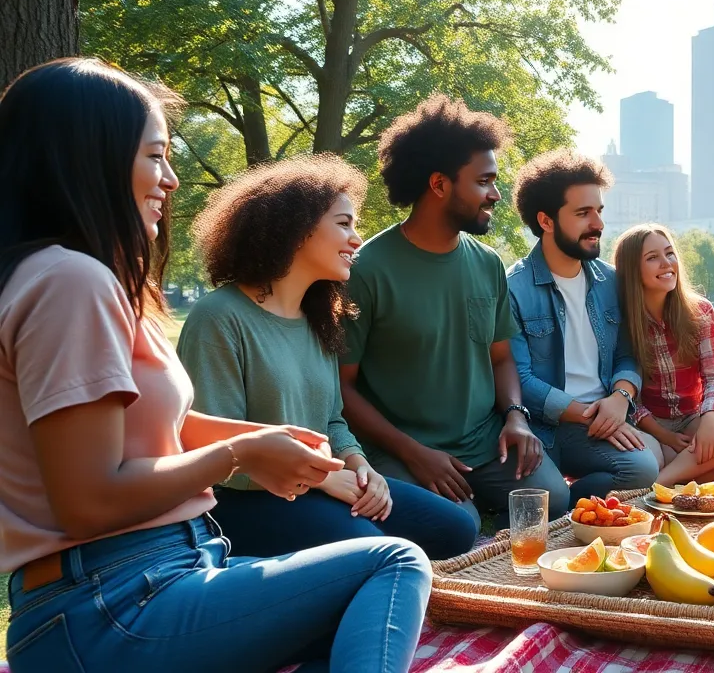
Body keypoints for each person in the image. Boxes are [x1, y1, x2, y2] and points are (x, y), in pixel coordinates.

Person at [0, 58, 430, 672]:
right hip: (112, 606)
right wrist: (241, 456)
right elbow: (87, 502)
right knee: (393, 563)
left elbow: (157, 430)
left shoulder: (74, 280)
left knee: (357, 614)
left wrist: (266, 439)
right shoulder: (71, 282)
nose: (171, 179)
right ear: (87, 156)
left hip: (156, 578)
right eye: (154, 156)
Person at [177, 155, 479, 559]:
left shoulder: (319, 317)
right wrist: (323, 479)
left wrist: (359, 465)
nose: (357, 239)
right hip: (245, 501)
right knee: (374, 548)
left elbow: (332, 418)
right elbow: (212, 451)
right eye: (344, 224)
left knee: (456, 529)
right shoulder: (218, 317)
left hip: (325, 481)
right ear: (295, 230)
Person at [338, 95, 565, 529]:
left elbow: (500, 357)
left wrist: (516, 416)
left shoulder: (487, 263)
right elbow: (342, 388)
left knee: (552, 499)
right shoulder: (365, 270)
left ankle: (480, 520)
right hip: (404, 449)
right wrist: (411, 452)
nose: (496, 194)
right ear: (439, 184)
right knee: (456, 526)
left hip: (486, 443)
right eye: (484, 181)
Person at [506, 150, 660, 501]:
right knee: (549, 497)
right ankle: (558, 498)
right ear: (546, 221)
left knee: (643, 469)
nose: (598, 224)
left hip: (600, 419)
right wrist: (589, 415)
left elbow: (627, 353)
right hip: (542, 426)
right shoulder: (513, 288)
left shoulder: (611, 281)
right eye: (583, 213)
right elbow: (519, 379)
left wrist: (621, 397)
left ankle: (571, 502)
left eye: (599, 211)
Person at [612, 223, 714, 484]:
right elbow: (631, 398)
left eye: (669, 253)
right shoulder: (623, 320)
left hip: (692, 419)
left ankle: (657, 486)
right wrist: (665, 437)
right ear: (632, 269)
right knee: (663, 461)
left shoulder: (701, 312)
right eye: (652, 258)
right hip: (649, 427)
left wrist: (709, 420)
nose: (666, 263)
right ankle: (672, 477)